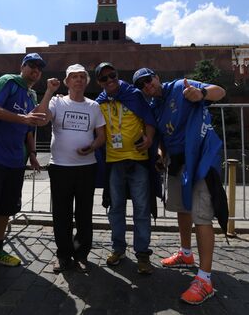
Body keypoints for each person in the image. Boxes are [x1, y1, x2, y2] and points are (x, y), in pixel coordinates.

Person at [0, 53, 59, 297]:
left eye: (40, 69)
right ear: (22, 67)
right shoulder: (8, 82)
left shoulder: (30, 95)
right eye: (32, 66)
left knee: (5, 209)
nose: (36, 71)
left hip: (14, 161)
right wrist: (22, 117)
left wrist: (31, 153)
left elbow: (34, 123)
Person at [133, 67, 226, 305]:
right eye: (142, 84)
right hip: (177, 162)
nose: (147, 85)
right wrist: (162, 155)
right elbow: (164, 136)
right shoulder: (154, 108)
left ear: (157, 77)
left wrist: (202, 94)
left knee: (202, 216)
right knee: (183, 208)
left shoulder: (180, 87)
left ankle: (205, 280)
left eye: (149, 79)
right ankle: (186, 253)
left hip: (199, 159)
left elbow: (220, 91)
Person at [94, 62, 157, 274]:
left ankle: (142, 254)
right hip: (114, 161)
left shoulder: (134, 95)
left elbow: (149, 118)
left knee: (141, 208)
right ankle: (118, 248)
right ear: (99, 83)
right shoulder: (99, 102)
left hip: (137, 159)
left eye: (113, 75)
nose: (110, 80)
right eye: (104, 78)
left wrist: (149, 139)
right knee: (116, 208)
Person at [48, 64, 106, 273]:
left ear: (87, 81)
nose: (79, 80)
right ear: (67, 81)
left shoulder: (93, 107)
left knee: (84, 213)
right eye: (74, 77)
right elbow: (42, 118)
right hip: (60, 167)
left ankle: (81, 253)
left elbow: (101, 136)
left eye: (82, 77)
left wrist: (92, 146)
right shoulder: (57, 101)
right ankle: (63, 255)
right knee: (61, 214)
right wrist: (48, 92)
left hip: (86, 167)